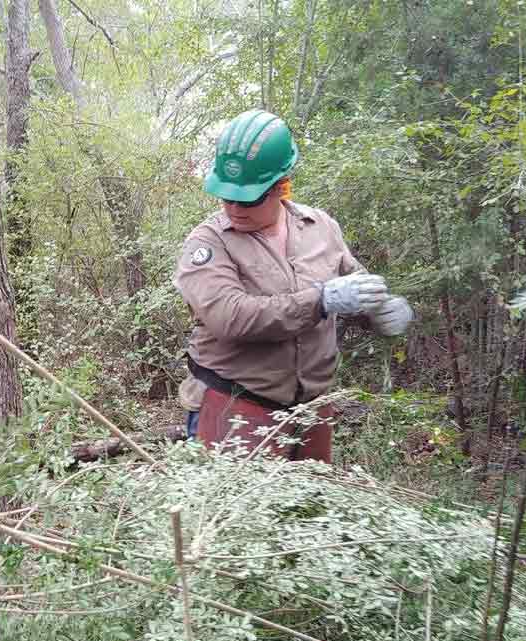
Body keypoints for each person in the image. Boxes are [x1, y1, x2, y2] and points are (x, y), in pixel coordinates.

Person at [173, 109, 412, 463]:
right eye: (226, 196)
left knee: (306, 512)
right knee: (236, 517)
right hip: (235, 407)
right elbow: (230, 317)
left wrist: (380, 310)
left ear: (280, 185)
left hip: (312, 411)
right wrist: (320, 300)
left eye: (249, 197)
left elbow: (354, 287)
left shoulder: (321, 227)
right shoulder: (208, 243)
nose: (235, 207)